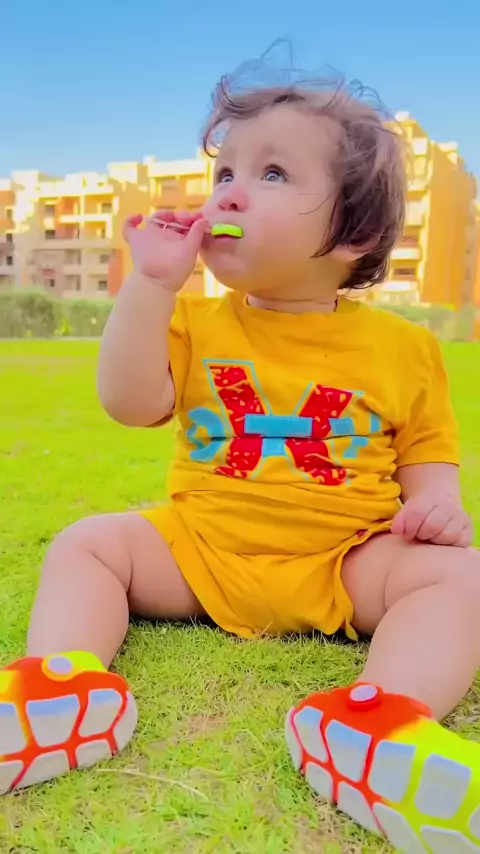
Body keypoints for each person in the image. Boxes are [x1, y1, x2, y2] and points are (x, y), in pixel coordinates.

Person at [1, 62, 479, 852]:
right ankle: (61, 687)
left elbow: (427, 449)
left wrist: (437, 505)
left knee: (462, 577)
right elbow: (129, 402)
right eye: (224, 172)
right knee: (88, 543)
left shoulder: (404, 348)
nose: (228, 193)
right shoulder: (194, 321)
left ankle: (379, 721)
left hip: (344, 561)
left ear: (354, 235)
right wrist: (151, 286)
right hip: (199, 552)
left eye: (272, 173)